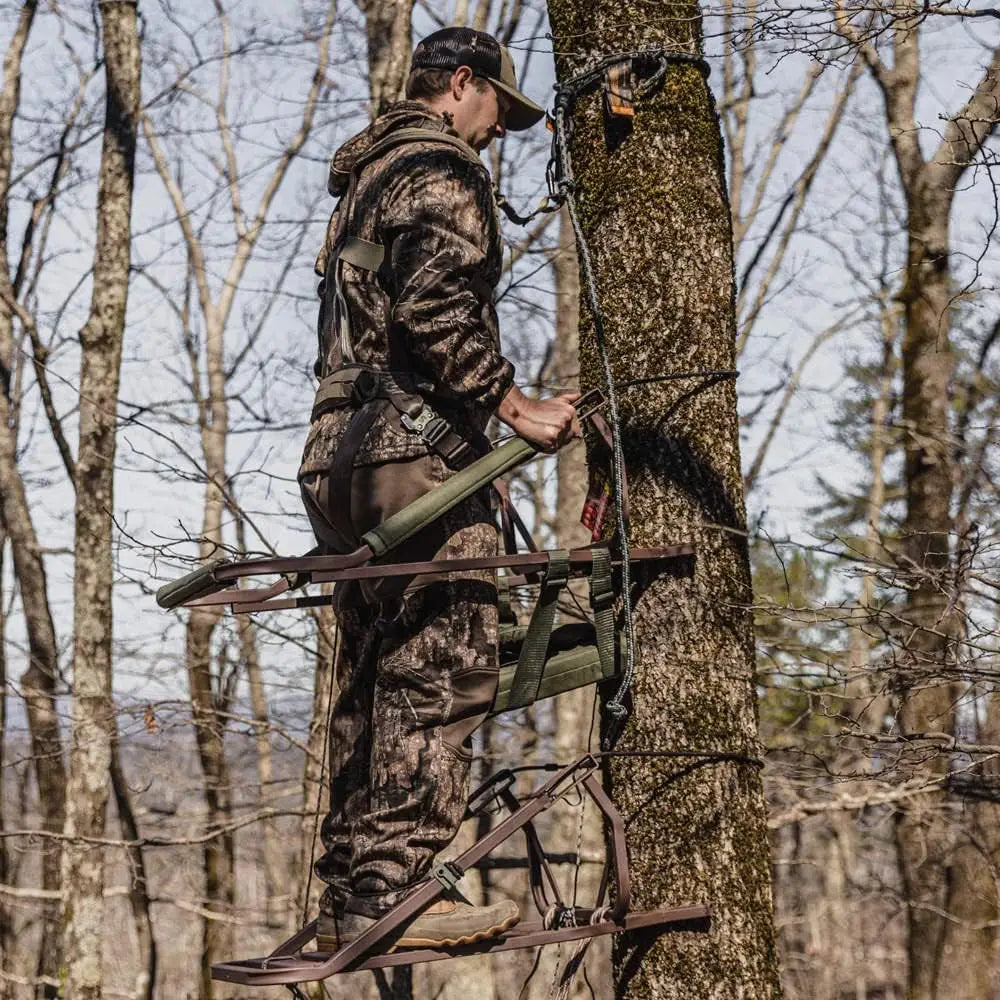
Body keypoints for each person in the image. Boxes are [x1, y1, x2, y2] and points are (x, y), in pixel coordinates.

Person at [298, 27, 580, 951]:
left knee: (370, 671)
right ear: (462, 84)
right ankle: (392, 893)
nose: (498, 132)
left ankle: (349, 887)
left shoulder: (362, 185)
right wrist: (516, 404)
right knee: (444, 656)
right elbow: (435, 305)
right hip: (408, 452)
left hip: (336, 457)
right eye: (499, 108)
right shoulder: (443, 170)